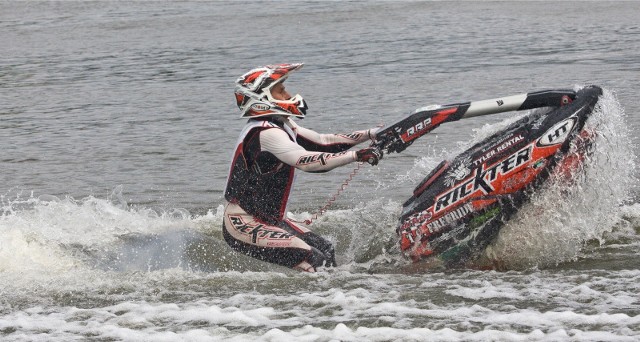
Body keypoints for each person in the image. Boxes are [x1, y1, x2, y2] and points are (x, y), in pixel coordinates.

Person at [223, 63, 383, 272]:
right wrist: (356, 156)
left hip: (270, 221)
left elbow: (323, 141)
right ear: (262, 98)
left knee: (326, 249)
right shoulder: (265, 133)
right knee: (314, 259)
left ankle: (343, 297)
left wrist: (372, 133)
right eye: (280, 90)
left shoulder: (282, 124)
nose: (288, 94)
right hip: (244, 223)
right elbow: (307, 161)